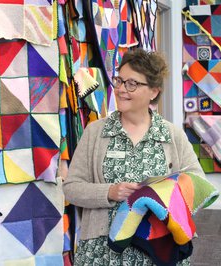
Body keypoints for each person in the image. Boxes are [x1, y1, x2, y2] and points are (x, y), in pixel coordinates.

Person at [63, 48, 205, 265]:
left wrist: (162, 195)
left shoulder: (171, 135)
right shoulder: (96, 132)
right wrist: (109, 191)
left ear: (154, 91)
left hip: (158, 250)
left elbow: (198, 185)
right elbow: (71, 188)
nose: (121, 89)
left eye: (132, 84)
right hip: (103, 253)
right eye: (119, 81)